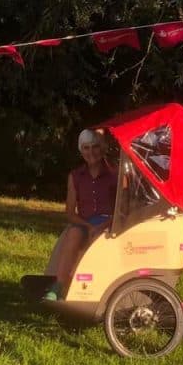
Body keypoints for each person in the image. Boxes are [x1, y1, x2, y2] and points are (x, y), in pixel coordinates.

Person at [44, 129, 117, 301]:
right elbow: (70, 213)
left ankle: (86, 287)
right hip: (84, 222)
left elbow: (123, 208)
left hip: (109, 222)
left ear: (103, 148)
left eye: (95, 147)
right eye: (86, 148)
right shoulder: (75, 176)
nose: (91, 152)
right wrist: (89, 226)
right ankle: (59, 285)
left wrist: (102, 225)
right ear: (80, 150)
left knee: (98, 239)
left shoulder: (115, 174)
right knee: (73, 233)